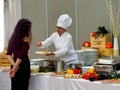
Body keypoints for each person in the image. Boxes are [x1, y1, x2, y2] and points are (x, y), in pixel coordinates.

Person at [7, 18, 32, 90]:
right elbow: (21, 56)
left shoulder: (13, 38)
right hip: (23, 65)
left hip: (14, 63)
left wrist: (14, 67)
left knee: (14, 87)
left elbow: (9, 54)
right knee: (23, 87)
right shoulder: (25, 39)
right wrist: (15, 67)